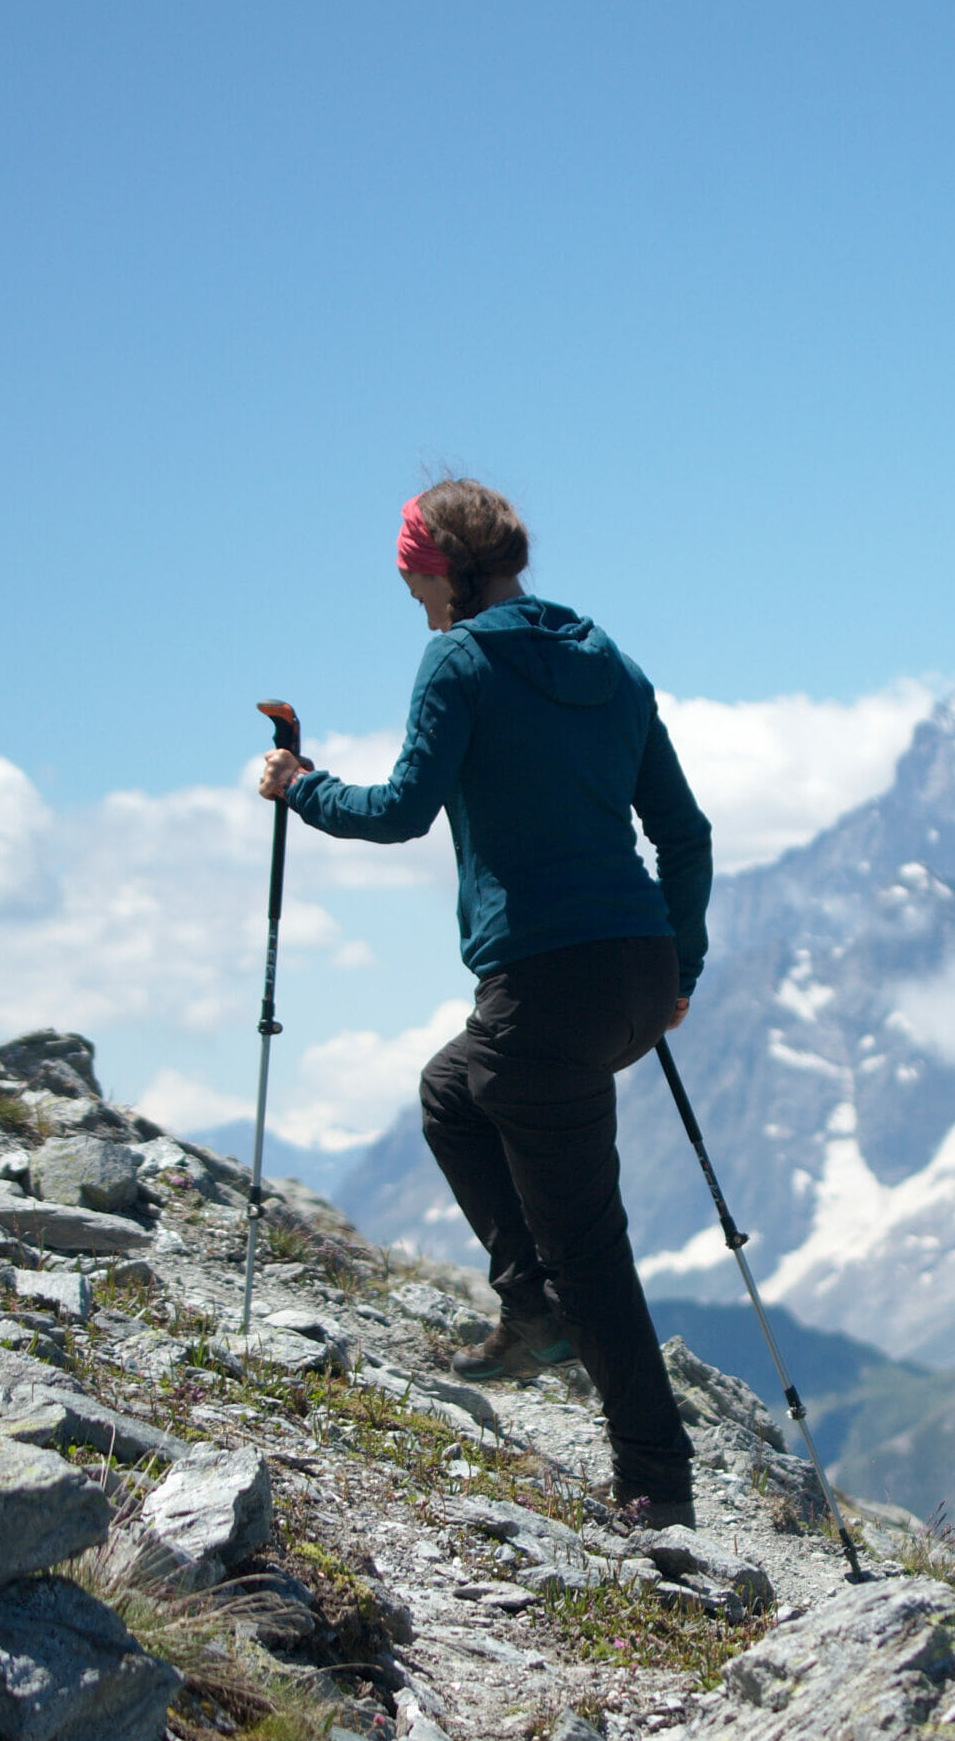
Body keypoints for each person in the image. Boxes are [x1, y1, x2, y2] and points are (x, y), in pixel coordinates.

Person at [260, 481, 710, 1528]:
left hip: (548, 980)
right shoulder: (614, 664)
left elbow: (404, 809)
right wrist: (679, 969)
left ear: (446, 568)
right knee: (454, 1092)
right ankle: (529, 1305)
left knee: (589, 1242)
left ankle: (657, 1491)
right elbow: (683, 834)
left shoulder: (458, 659)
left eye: (411, 571)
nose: (410, 593)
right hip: (638, 970)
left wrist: (302, 786)